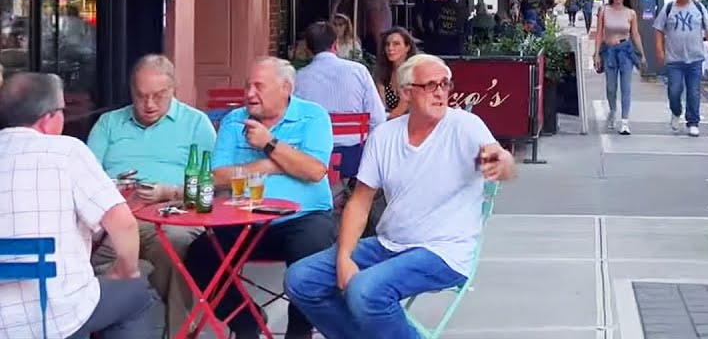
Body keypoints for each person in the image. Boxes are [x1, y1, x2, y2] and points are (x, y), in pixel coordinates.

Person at [284, 54, 517, 339]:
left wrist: (502, 161)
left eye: (445, 84)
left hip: (443, 250)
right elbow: (359, 201)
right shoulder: (384, 135)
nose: (440, 92)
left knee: (366, 291)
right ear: (407, 92)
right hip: (389, 244)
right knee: (300, 279)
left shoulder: (465, 125)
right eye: (430, 85)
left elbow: (502, 161)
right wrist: (344, 256)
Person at [182, 58, 336, 339]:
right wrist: (271, 165)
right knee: (199, 255)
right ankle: (245, 319)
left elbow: (314, 171)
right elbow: (217, 176)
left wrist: (269, 143)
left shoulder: (314, 117)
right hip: (244, 219)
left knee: (310, 256)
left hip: (304, 218)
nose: (249, 94)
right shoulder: (234, 120)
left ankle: (299, 333)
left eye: (259, 87)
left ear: (286, 88)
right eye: (247, 86)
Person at [0, 72, 161, 339]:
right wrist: (126, 271)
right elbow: (122, 223)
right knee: (136, 296)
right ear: (48, 118)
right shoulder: (66, 152)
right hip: (55, 317)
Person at [87, 55, 216, 333]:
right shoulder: (109, 123)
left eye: (159, 96)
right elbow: (87, 180)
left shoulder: (196, 124)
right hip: (117, 217)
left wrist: (169, 193)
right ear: (131, 90)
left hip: (172, 218)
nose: (149, 105)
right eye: (141, 96)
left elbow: (212, 183)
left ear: (174, 89)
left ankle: (180, 331)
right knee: (90, 256)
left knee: (174, 243)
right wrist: (115, 186)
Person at [293, 20, 387, 177]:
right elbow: (378, 119)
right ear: (335, 45)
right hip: (355, 154)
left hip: (311, 157)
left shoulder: (298, 77)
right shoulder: (359, 71)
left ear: (308, 49)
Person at [654, 0, 708, 137]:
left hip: (695, 58)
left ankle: (693, 121)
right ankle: (676, 112)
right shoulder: (668, 9)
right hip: (675, 59)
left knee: (694, 91)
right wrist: (659, 50)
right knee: (674, 90)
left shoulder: (698, 8)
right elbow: (658, 29)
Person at [594, 0, 646, 135]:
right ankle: (612, 110)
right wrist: (596, 53)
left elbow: (635, 34)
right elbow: (599, 33)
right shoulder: (604, 10)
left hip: (625, 51)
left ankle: (624, 121)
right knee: (611, 87)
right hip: (609, 51)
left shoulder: (630, 13)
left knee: (626, 87)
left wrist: (642, 55)